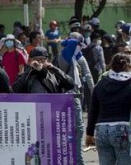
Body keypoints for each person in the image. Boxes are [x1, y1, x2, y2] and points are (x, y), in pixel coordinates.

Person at [53, 34, 94, 165]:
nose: (80, 49)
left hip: (77, 94)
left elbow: (88, 75)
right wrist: (66, 41)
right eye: (79, 46)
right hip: (67, 95)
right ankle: (76, 159)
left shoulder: (79, 57)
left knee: (77, 128)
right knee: (75, 128)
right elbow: (71, 43)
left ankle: (75, 157)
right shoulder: (64, 55)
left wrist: (94, 92)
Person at [85, 53, 130, 165]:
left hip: (101, 130)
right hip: (122, 129)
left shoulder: (100, 84)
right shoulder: (129, 84)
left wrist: (89, 133)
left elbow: (93, 110)